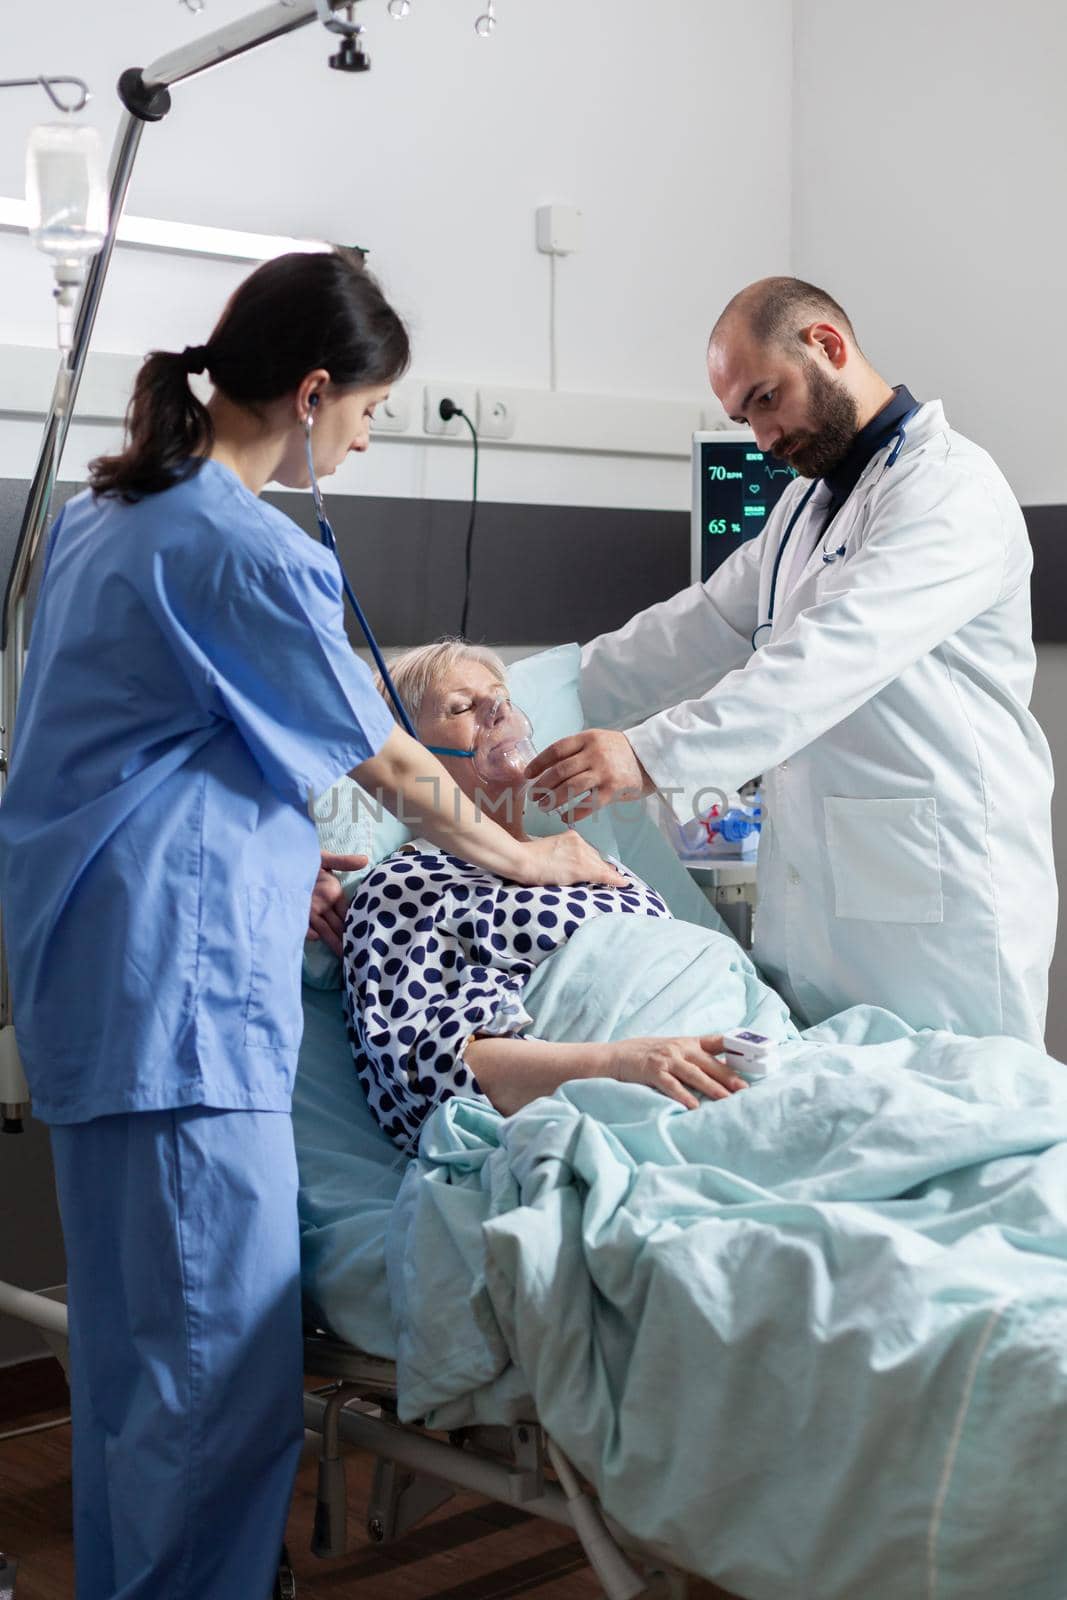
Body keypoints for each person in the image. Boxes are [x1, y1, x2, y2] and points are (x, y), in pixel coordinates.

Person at [0, 250, 619, 1600]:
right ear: (316, 388)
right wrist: (527, 863)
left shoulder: (104, 514)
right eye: (366, 413)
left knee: (126, 1371)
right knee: (210, 1382)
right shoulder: (238, 545)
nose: (362, 436)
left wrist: (288, 874)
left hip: (104, 984)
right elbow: (393, 770)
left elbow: (159, 758)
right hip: (183, 1010)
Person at [527, 277, 1056, 1047]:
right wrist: (516, 694)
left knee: (956, 1120)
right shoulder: (806, 507)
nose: (761, 438)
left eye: (765, 399)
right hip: (823, 907)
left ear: (827, 347)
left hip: (937, 911)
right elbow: (696, 627)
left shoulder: (950, 492)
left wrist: (645, 752)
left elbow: (825, 659)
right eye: (743, 417)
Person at [340, 640, 748, 1151]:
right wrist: (623, 1065)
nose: (499, 711)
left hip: (738, 1061)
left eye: (500, 697)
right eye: (462, 707)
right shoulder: (407, 884)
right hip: (634, 1106)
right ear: (403, 755)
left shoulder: (589, 858)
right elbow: (433, 1066)